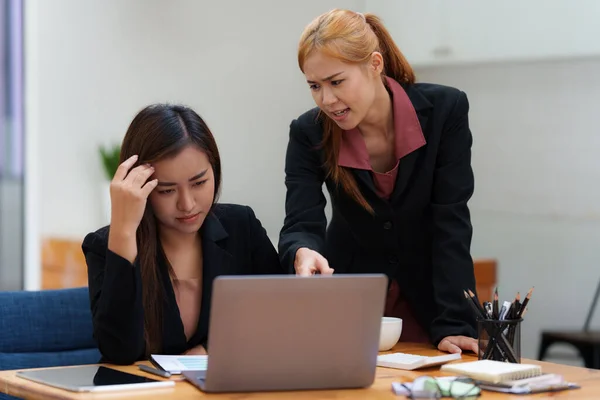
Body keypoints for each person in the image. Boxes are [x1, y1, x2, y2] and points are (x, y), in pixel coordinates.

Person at [278, 9, 478, 354]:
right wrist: (303, 250)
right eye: (314, 86)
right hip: (349, 305)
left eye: (336, 82)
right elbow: (301, 219)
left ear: (374, 64)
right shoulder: (307, 132)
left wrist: (456, 322)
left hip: (431, 304)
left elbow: (451, 219)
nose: (326, 100)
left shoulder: (445, 110)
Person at [82, 104, 283, 365]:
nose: (187, 204)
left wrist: (214, 348)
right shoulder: (104, 245)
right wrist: (123, 228)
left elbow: (278, 316)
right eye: (166, 190)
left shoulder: (241, 226)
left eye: (199, 183)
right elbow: (119, 350)